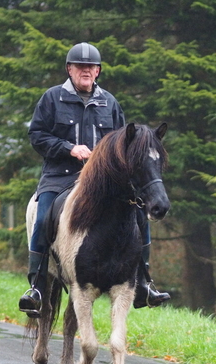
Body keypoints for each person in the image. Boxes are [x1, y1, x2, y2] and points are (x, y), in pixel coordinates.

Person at [18, 42, 170, 317]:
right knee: (41, 220)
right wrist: (69, 148)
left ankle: (145, 283)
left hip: (101, 183)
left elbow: (125, 144)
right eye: (80, 66)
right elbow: (37, 135)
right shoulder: (52, 98)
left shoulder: (109, 103)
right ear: (70, 69)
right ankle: (36, 288)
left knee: (139, 216)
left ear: (98, 71)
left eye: (91, 67)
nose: (86, 71)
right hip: (60, 176)